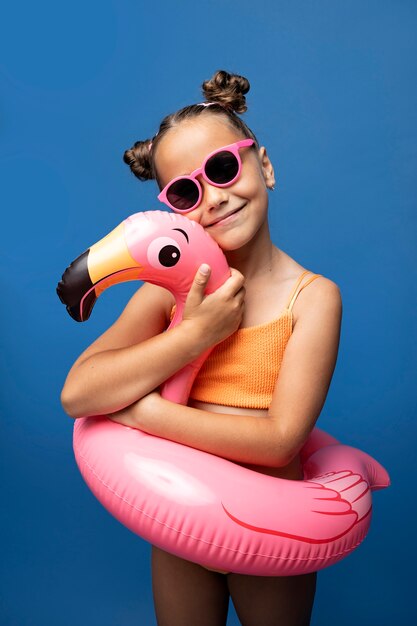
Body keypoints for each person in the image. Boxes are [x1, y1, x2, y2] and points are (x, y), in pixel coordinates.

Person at [60, 69, 342, 626]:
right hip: (183, 509)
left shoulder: (313, 299)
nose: (213, 198)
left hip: (268, 520)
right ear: (172, 212)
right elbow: (78, 393)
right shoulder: (167, 294)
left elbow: (280, 441)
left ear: (263, 165)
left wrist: (146, 414)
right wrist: (194, 334)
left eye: (222, 168)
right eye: (187, 191)